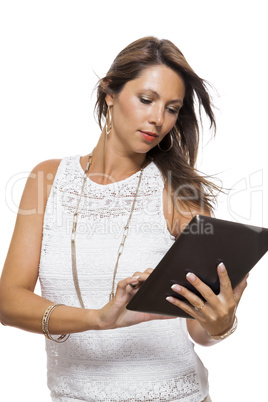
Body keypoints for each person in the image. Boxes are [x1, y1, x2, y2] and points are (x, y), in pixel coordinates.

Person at [0, 36, 248, 402]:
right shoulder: (47, 180)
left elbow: (200, 330)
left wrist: (220, 323)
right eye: (146, 100)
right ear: (109, 93)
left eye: (172, 108)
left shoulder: (180, 194)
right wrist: (99, 319)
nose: (157, 119)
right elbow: (8, 302)